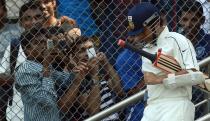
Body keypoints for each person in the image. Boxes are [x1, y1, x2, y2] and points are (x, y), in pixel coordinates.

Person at [126, 3, 206, 121]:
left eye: (141, 33)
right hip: (151, 108)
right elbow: (150, 84)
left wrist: (161, 79)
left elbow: (197, 76)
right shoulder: (146, 49)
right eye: (136, 34)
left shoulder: (178, 40)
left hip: (177, 105)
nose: (137, 38)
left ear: (154, 23)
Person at [61, 36, 124, 120]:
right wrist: (94, 74)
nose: (87, 53)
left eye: (90, 48)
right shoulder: (76, 78)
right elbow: (93, 111)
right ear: (74, 57)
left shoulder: (101, 70)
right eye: (82, 50)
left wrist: (106, 65)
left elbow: (120, 92)